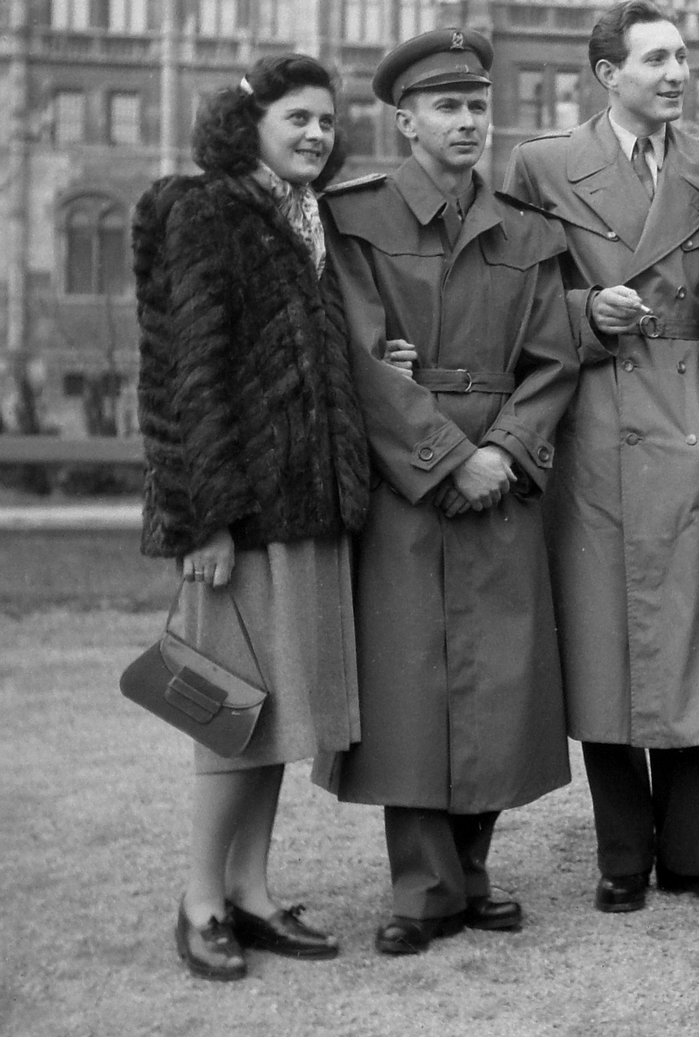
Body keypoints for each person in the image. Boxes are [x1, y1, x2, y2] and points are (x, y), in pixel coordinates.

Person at [315, 28, 580, 956]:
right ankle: (422, 886)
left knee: (499, 679)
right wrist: (444, 456)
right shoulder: (355, 221)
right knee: (413, 680)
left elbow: (554, 360)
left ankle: (474, 870)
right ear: (404, 121)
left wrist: (503, 450)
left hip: (501, 482)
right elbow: (358, 358)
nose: (468, 122)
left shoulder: (526, 229)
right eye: (446, 107)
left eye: (476, 106)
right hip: (410, 486)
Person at [503, 1, 699, 914]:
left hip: (695, 406)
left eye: (683, 58)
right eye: (656, 60)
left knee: (691, 630)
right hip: (600, 412)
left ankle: (696, 854)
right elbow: (517, 293)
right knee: (606, 632)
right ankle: (622, 856)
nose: (677, 74)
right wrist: (582, 314)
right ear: (608, 74)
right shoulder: (543, 165)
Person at [134, 54, 369, 980]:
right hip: (240, 515)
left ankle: (253, 891)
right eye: (296, 119)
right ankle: (200, 900)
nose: (316, 133)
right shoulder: (206, 210)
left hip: (305, 503)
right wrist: (205, 520)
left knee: (280, 714)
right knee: (229, 710)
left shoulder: (302, 214)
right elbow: (187, 376)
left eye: (325, 120)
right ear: (250, 124)